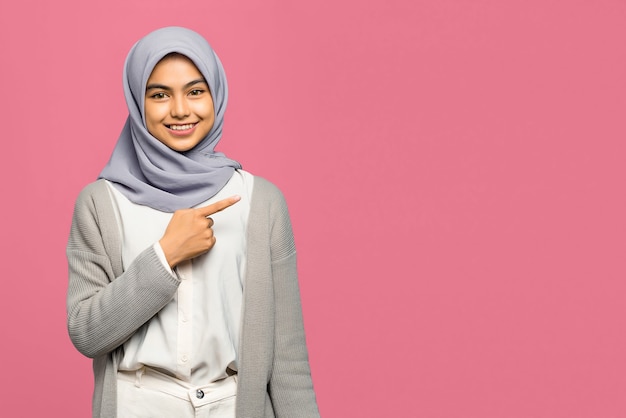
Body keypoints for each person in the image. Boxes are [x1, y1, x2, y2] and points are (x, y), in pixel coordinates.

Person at [66, 26, 319, 418]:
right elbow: (86, 332)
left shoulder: (262, 202)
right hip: (137, 406)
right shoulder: (100, 203)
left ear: (216, 94)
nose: (181, 109)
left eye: (196, 91)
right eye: (160, 95)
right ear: (137, 102)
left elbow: (288, 360)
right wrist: (165, 256)